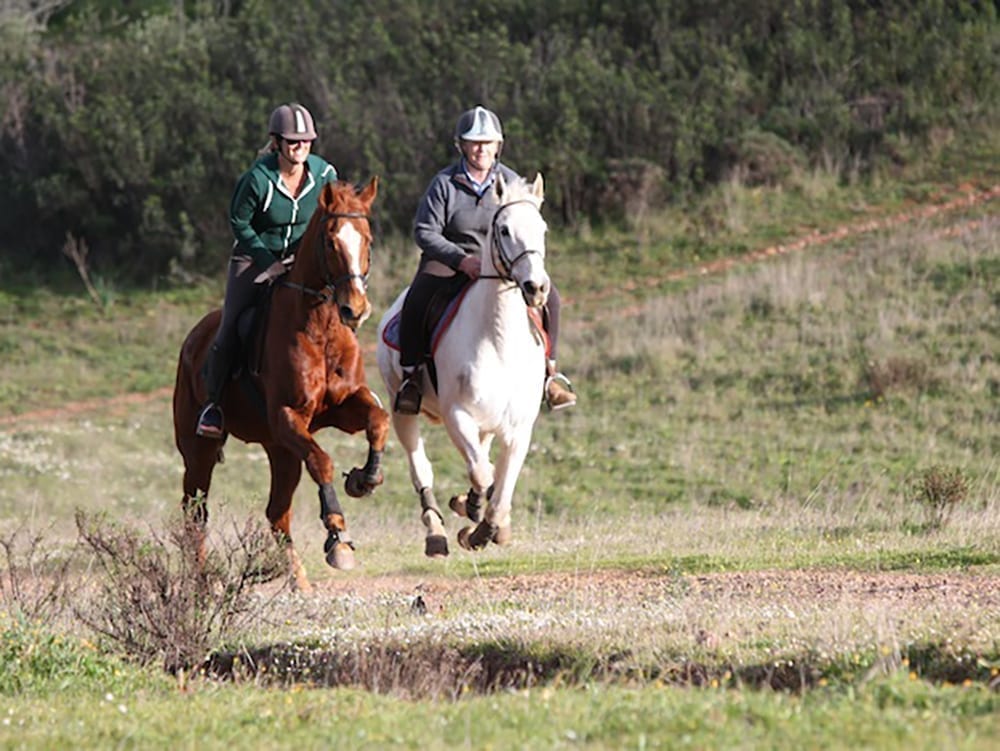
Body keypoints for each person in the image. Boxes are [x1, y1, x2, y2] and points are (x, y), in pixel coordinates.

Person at [394, 105, 577, 415]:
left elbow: (524, 225)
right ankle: (412, 378)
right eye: (474, 142)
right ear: (462, 145)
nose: (481, 149)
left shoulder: (512, 181)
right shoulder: (444, 184)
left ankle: (550, 374)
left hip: (501, 263)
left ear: (498, 146)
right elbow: (425, 231)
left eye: (487, 142)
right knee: (417, 299)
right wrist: (460, 259)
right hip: (450, 259)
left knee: (552, 299)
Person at [195, 102, 339, 438]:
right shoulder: (258, 179)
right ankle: (213, 405)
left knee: (337, 313)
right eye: (292, 141)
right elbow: (239, 222)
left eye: (305, 141)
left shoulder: (324, 174)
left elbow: (334, 212)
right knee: (230, 326)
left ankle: (344, 381)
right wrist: (267, 262)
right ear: (276, 142)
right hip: (254, 260)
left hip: (301, 262)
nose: (299, 147)